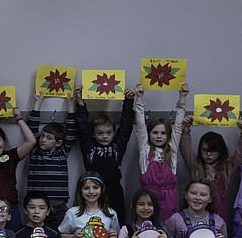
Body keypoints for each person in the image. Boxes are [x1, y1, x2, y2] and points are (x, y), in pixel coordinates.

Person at [25, 89, 81, 229]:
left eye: (49, 138)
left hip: (59, 208)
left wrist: (71, 106)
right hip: (37, 209)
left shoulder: (62, 153)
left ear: (58, 143)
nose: (43, 140)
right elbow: (32, 128)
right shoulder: (35, 151)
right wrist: (38, 102)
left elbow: (71, 130)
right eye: (43, 136)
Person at [75, 87, 135, 216]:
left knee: (116, 221)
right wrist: (80, 101)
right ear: (93, 134)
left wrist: (129, 101)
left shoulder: (117, 145)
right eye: (100, 133)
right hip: (91, 189)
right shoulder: (88, 145)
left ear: (113, 133)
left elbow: (125, 127)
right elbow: (82, 127)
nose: (104, 136)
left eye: (108, 133)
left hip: (114, 190)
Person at [179, 112, 242, 222]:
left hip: (219, 211)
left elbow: (240, 153)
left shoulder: (226, 167)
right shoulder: (195, 165)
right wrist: (186, 129)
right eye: (205, 151)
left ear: (220, 152)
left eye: (213, 151)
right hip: (196, 210)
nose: (208, 155)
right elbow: (185, 150)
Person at [133, 84, 187, 221]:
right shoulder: (145, 150)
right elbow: (140, 126)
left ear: (168, 136)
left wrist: (182, 98)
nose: (159, 136)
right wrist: (139, 99)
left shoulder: (172, 150)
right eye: (155, 132)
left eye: (163, 133)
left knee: (167, 232)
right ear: (149, 134)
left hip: (169, 200)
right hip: (147, 199)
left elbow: (178, 126)